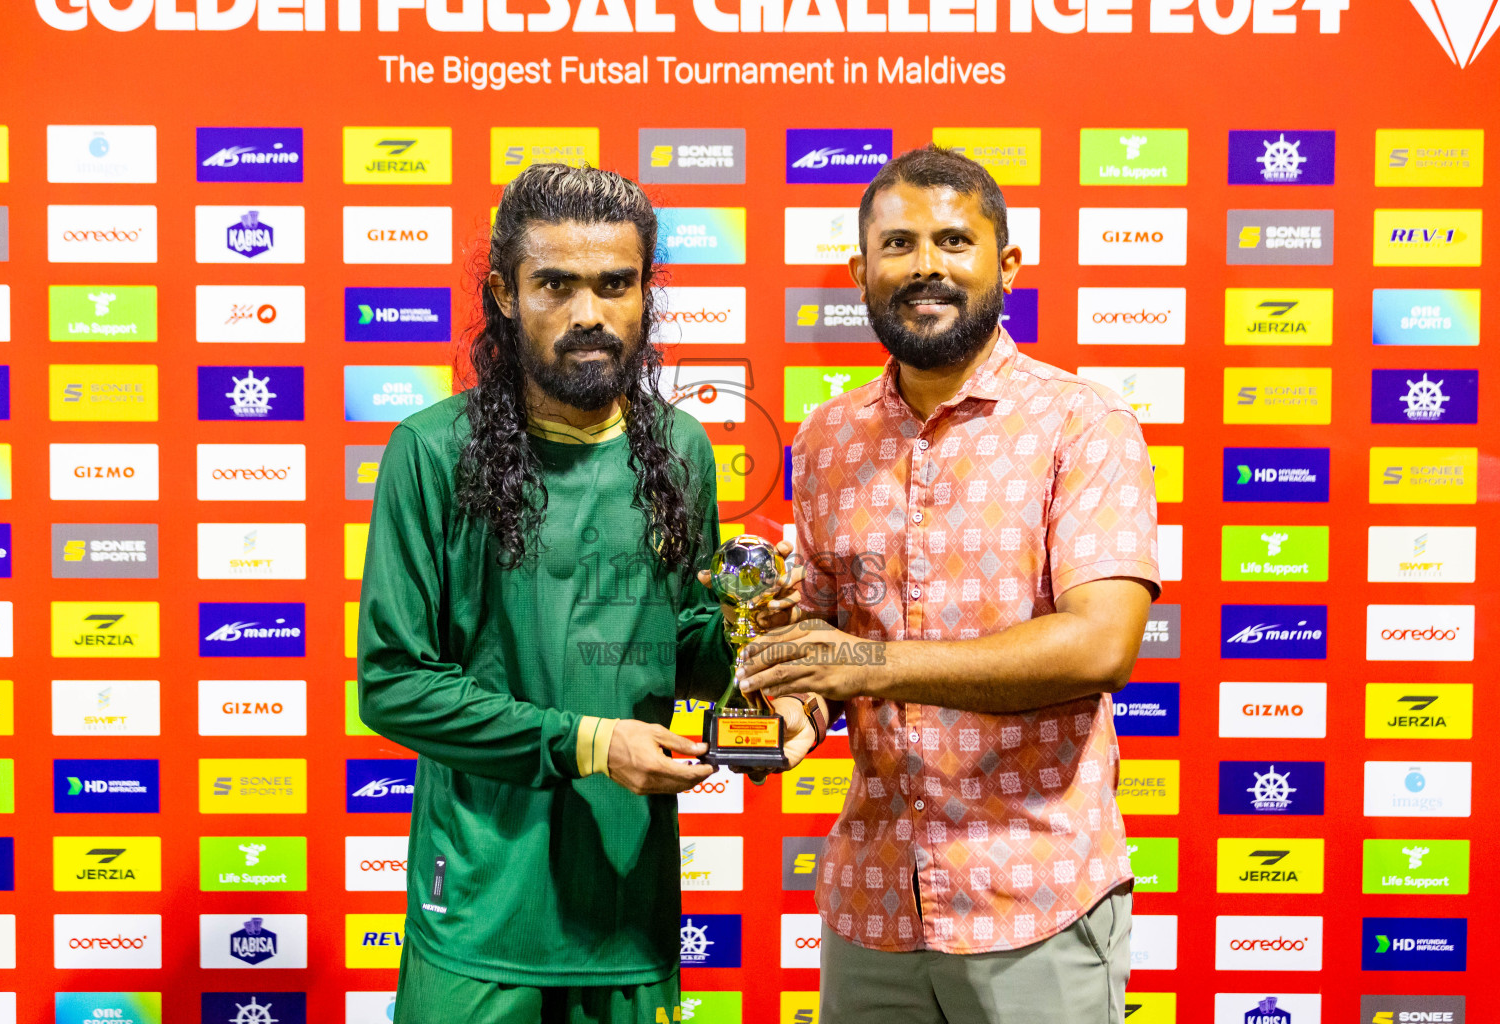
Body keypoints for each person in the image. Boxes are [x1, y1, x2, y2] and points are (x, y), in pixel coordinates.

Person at [356, 163, 817, 1024]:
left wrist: (757, 651)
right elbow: (394, 685)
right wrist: (592, 743)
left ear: (646, 292)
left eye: (616, 285)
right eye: (555, 285)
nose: (589, 317)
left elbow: (679, 650)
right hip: (483, 917)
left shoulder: (680, 449)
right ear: (502, 291)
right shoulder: (429, 451)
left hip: (626, 907)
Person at [738, 146, 1162, 1023]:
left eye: (952, 242)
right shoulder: (825, 439)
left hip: (1036, 904)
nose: (925, 266)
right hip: (873, 910)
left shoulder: (1083, 425)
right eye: (897, 244)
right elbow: (822, 648)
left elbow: (1101, 643)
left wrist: (868, 663)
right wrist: (779, 709)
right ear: (860, 270)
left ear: (1005, 264)